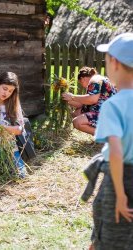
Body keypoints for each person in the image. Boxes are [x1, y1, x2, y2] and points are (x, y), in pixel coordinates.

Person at [88, 33, 133, 249]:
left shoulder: (113, 106)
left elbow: (116, 152)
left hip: (120, 179)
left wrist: (120, 194)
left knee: (110, 238)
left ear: (114, 62)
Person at [62, 67, 116, 135]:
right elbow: (83, 103)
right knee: (77, 113)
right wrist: (69, 100)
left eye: (80, 83)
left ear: (82, 79)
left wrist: (72, 97)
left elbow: (92, 100)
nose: (83, 86)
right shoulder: (98, 79)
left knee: (77, 122)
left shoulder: (94, 81)